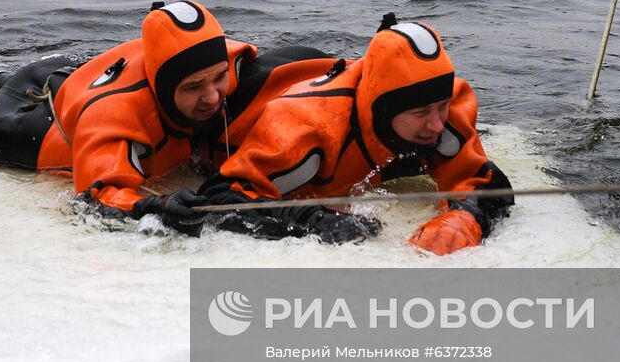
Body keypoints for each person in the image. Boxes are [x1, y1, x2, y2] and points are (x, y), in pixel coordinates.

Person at [0, 0, 336, 232]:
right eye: (192, 88)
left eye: (216, 80)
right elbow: (97, 199)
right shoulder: (117, 120)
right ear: (162, 87)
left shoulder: (223, 63)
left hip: (71, 77)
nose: (212, 97)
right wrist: (154, 209)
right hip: (29, 130)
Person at [198, 14, 513, 254]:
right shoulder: (306, 128)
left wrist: (465, 218)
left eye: (441, 107)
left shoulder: (444, 110)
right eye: (420, 114)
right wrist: (315, 221)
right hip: (263, 91)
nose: (435, 124)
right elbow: (221, 198)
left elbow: (485, 180)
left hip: (324, 70)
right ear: (384, 111)